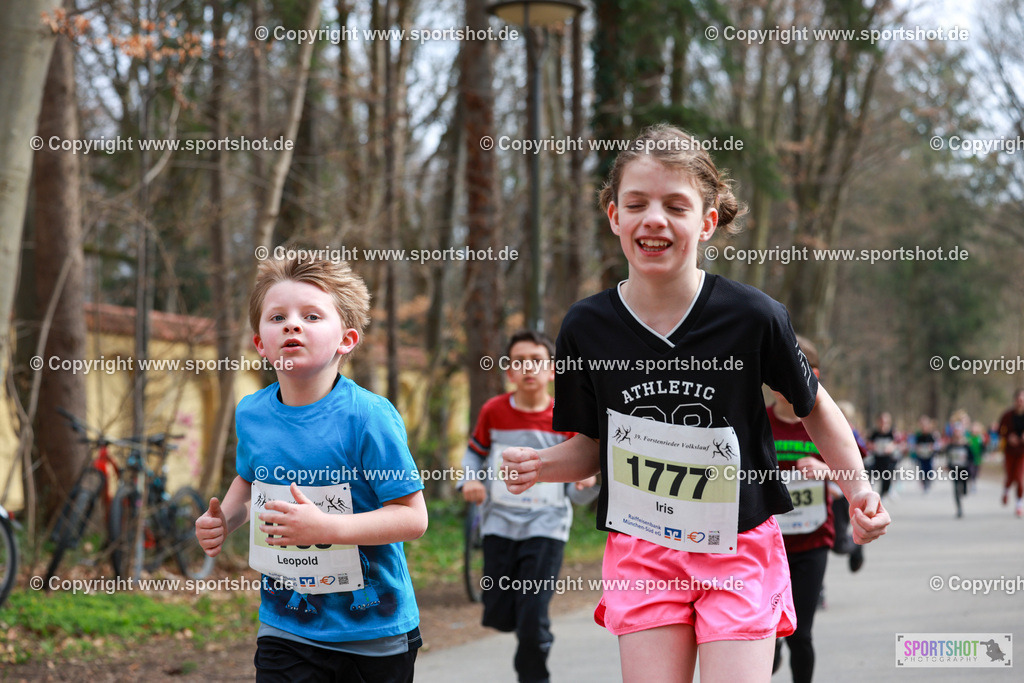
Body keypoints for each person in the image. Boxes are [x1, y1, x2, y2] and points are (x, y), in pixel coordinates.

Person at [501, 124, 890, 683]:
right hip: (642, 549)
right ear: (614, 217)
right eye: (636, 203)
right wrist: (541, 465)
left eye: (675, 206)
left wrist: (858, 489)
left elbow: (815, 407)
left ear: (706, 222)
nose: (654, 218)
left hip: (738, 545)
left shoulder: (753, 317)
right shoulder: (586, 327)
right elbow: (591, 448)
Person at [194, 256, 428, 682]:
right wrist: (225, 518)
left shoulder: (368, 416)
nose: (292, 325)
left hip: (373, 632)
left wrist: (325, 529)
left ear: (347, 339)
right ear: (260, 343)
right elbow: (250, 480)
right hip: (286, 627)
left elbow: (413, 518)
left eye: (312, 316)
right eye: (277, 317)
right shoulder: (251, 412)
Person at [460, 329, 598, 683]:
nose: (528, 368)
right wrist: (470, 481)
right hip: (499, 524)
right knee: (500, 612)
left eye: (537, 361)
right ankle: (524, 625)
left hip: (547, 526)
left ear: (552, 370)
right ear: (509, 371)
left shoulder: (566, 415)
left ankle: (534, 672)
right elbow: (473, 455)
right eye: (519, 361)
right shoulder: (493, 411)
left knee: (532, 615)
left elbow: (579, 486)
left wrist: (585, 483)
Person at [767, 335, 835, 682]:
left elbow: (856, 472)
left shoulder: (825, 419)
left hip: (812, 540)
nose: (786, 383)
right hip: (766, 544)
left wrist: (825, 469)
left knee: (801, 634)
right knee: (766, 633)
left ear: (813, 374)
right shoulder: (757, 421)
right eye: (777, 373)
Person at [998, 389, 1024, 517]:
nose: (1020, 402)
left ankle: (1019, 504)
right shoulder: (1007, 416)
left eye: (1022, 400)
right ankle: (1006, 490)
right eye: (1018, 400)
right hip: (1010, 451)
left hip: (1022, 452)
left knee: (1019, 478)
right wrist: (1008, 437)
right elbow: (1000, 430)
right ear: (1015, 401)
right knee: (1010, 476)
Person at [868, 412, 898, 501]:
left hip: (888, 460)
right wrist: (873, 446)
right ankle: (871, 492)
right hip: (877, 459)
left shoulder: (891, 433)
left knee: (887, 475)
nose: (883, 424)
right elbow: (869, 444)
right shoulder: (875, 434)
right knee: (871, 473)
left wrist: (891, 447)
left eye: (885, 422)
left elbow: (896, 443)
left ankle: (885, 492)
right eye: (881, 421)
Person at [944, 422, 971, 518]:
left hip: (964, 469)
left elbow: (971, 457)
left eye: (959, 431)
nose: (957, 433)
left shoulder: (966, 445)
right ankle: (959, 509)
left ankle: (964, 490)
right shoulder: (950, 445)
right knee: (956, 489)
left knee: (964, 490)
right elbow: (948, 457)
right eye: (956, 431)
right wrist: (948, 466)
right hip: (954, 469)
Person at [911, 416, 940, 492]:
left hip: (929, 456)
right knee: (922, 469)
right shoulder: (918, 436)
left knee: (929, 468)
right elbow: (914, 445)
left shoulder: (932, 435)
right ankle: (923, 482)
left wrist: (932, 447)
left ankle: (929, 480)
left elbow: (936, 445)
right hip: (921, 456)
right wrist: (917, 448)